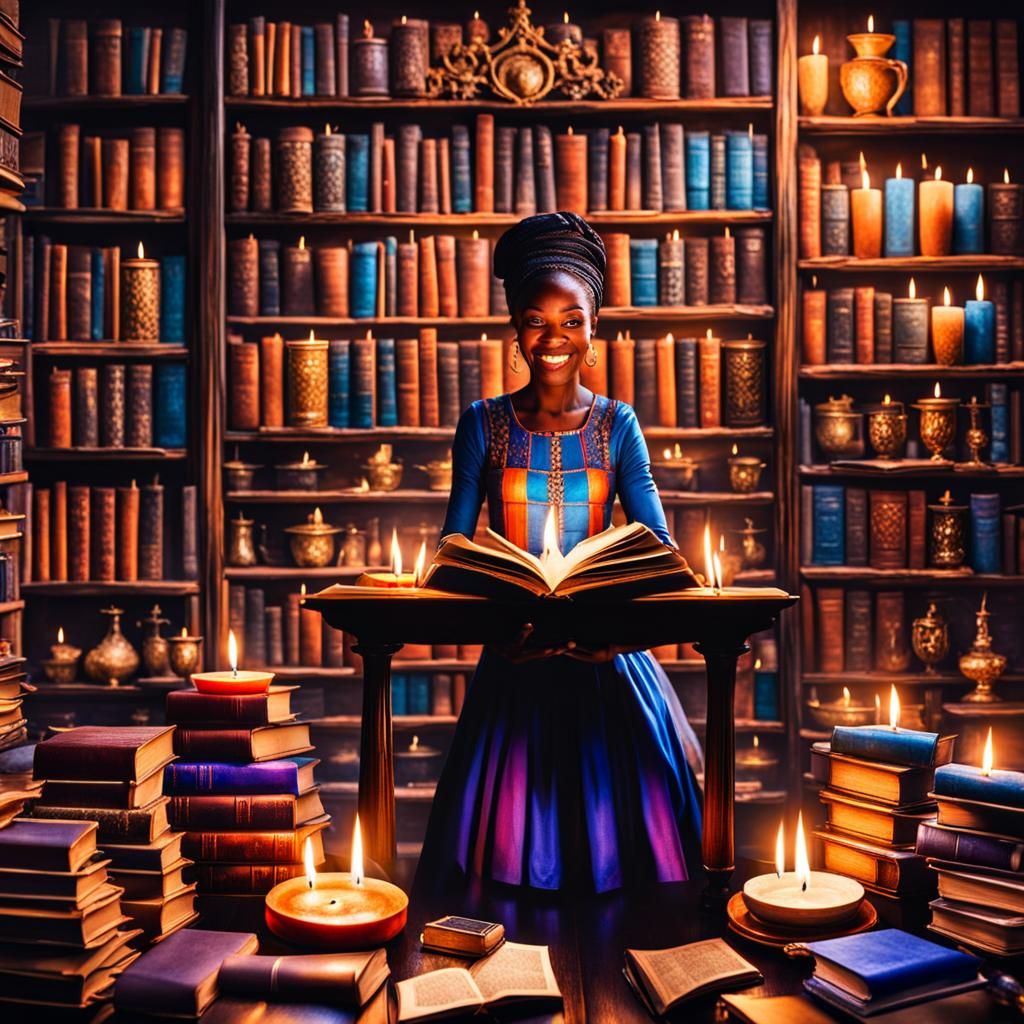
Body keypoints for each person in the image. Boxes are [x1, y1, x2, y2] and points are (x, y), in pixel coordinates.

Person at [419, 212, 703, 894]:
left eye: (571, 320)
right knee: (500, 875)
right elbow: (452, 550)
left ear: (593, 327)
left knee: (634, 877)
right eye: (535, 320)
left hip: (610, 664)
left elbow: (660, 550)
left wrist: (616, 639)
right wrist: (499, 633)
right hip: (512, 663)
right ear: (515, 330)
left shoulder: (618, 423)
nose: (553, 338)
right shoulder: (481, 424)